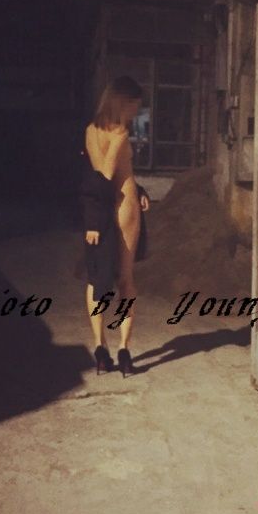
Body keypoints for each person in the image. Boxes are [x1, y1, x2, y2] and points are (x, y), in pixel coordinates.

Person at [81, 76, 150, 377]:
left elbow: (99, 174)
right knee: (125, 279)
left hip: (97, 207)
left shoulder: (90, 130)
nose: (136, 112)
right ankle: (124, 351)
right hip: (122, 207)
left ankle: (100, 348)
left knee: (96, 278)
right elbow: (108, 175)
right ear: (123, 102)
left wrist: (93, 220)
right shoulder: (120, 132)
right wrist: (99, 219)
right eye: (135, 106)